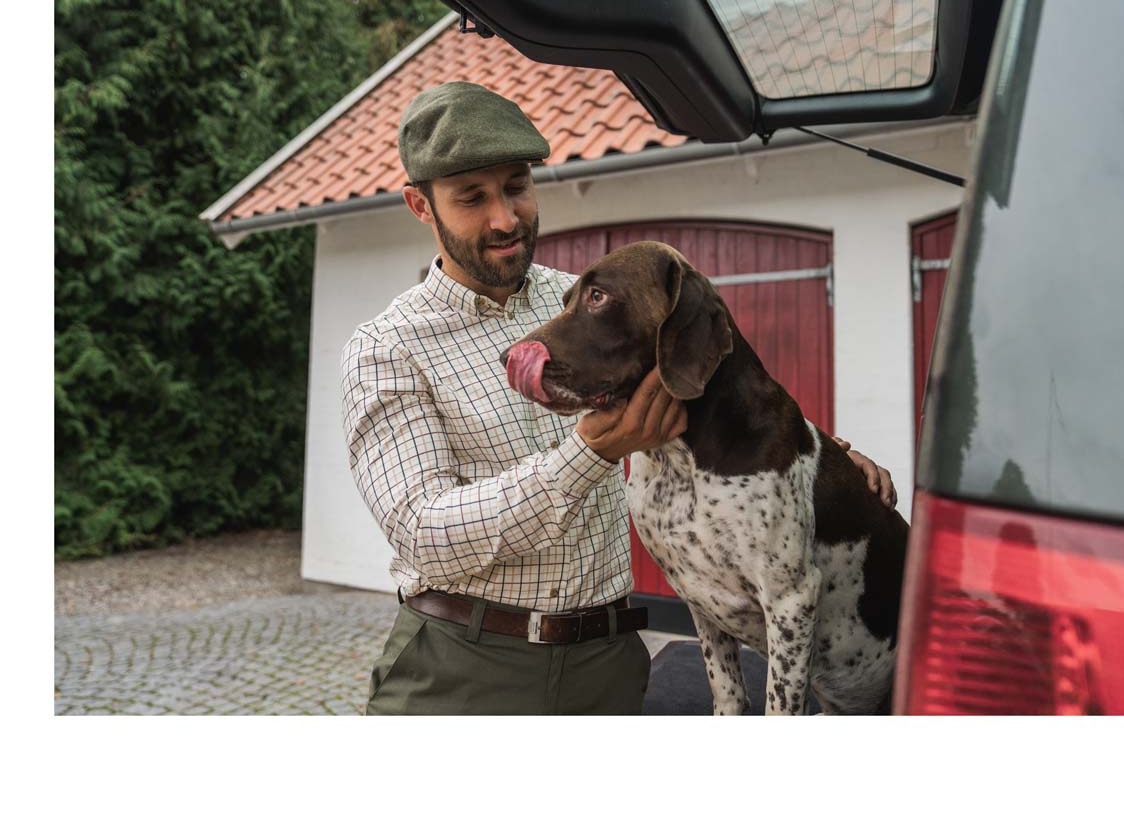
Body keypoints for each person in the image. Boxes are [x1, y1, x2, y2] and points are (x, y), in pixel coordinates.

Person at [340, 81, 896, 715]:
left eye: (517, 187)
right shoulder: (385, 349)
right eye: (472, 198)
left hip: (608, 664)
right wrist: (590, 453)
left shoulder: (587, 299)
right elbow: (424, 531)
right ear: (421, 205)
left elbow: (719, 388)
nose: (505, 218)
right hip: (464, 668)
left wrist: (823, 460)